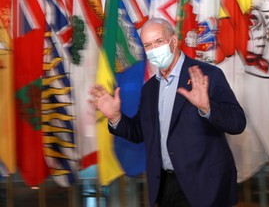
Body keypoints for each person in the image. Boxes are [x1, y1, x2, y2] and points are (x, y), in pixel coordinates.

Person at [89, 18, 246, 207]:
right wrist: (116, 117)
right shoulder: (149, 89)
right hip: (165, 185)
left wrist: (207, 108)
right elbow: (141, 132)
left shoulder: (207, 75)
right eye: (148, 45)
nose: (154, 49)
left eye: (159, 42)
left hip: (205, 185)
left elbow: (237, 122)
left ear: (174, 40)